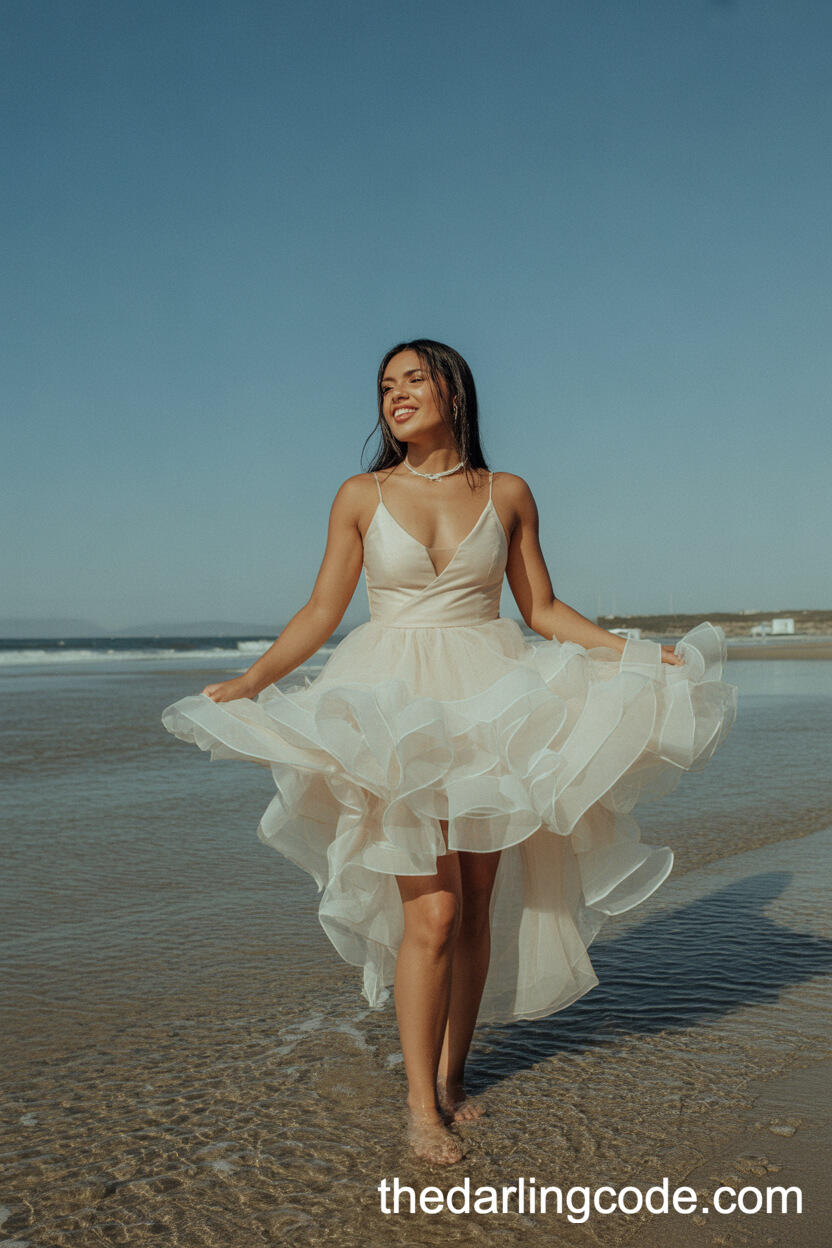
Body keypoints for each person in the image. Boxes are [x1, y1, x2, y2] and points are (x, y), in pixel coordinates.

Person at [162, 339, 737, 1166]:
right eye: (385, 386)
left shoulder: (507, 493)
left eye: (413, 380)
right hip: (392, 709)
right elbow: (323, 611)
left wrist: (634, 652)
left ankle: (453, 1074)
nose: (395, 395)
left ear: (453, 392)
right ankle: (418, 1105)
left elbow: (541, 608)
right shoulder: (361, 494)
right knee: (429, 912)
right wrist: (254, 680)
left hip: (491, 702)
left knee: (473, 903)